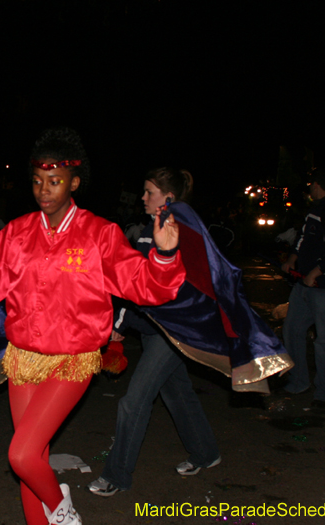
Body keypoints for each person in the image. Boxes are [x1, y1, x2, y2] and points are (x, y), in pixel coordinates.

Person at [0, 127, 185, 525]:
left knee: (20, 454)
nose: (43, 190)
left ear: (74, 183)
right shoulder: (15, 233)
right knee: (32, 459)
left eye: (54, 182)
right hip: (23, 361)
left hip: (72, 361)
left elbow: (145, 285)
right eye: (37, 182)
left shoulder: (99, 234)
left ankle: (63, 512)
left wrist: (166, 255)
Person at [88, 167, 221, 497]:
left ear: (169, 198)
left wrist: (123, 323)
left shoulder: (177, 231)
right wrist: (121, 324)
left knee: (133, 402)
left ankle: (116, 476)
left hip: (170, 332)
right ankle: (207, 453)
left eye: (150, 192)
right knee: (177, 393)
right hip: (154, 328)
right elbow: (136, 284)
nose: (143, 197)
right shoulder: (154, 227)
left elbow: (174, 289)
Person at [280, 168, 325, 408]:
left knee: (324, 340)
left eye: (310, 185)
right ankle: (298, 380)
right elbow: (303, 237)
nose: (309, 189)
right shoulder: (317, 209)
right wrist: (293, 258)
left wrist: (316, 272)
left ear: (316, 185)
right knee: (292, 329)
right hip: (304, 283)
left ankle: (323, 393)